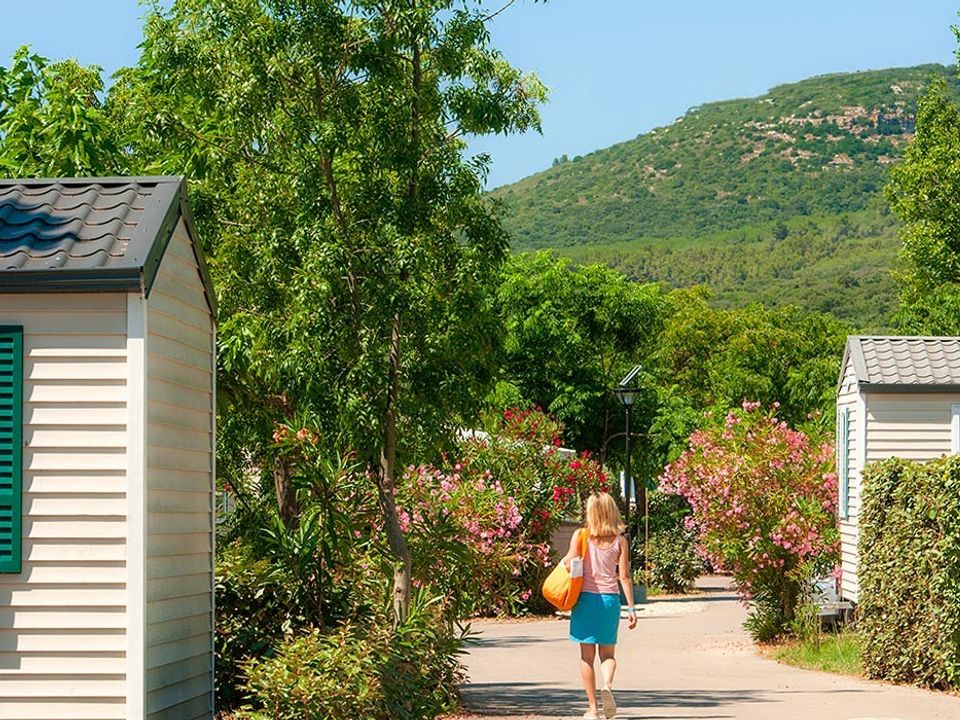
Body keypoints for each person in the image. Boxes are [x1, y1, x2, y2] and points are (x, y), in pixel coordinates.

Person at [563, 492, 637, 720]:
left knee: (587, 657)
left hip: (584, 600)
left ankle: (593, 709)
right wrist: (631, 609)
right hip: (609, 601)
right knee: (608, 655)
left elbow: (569, 564)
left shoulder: (581, 536)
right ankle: (607, 684)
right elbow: (624, 576)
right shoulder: (620, 540)